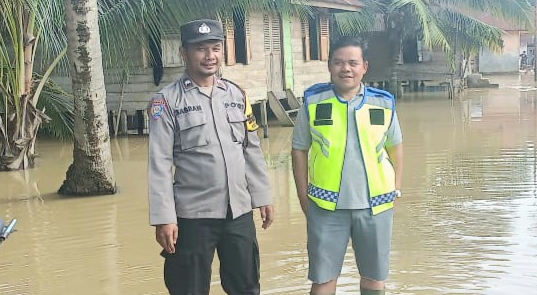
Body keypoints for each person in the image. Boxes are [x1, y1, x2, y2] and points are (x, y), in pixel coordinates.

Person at [147, 19, 274, 295]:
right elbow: (159, 164)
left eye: (215, 48)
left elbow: (251, 149)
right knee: (189, 289)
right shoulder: (166, 101)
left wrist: (262, 196)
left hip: (238, 212)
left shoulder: (237, 95)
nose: (209, 56)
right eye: (200, 49)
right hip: (192, 217)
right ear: (184, 53)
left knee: (247, 287)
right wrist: (163, 218)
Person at [291, 37, 404, 295]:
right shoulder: (313, 101)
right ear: (329, 66)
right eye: (339, 62)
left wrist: (396, 189)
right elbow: (299, 150)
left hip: (376, 205)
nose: (346, 69)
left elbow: (396, 147)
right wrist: (302, 195)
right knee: (323, 278)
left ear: (364, 66)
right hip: (325, 205)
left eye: (353, 63)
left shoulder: (383, 103)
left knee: (374, 278)